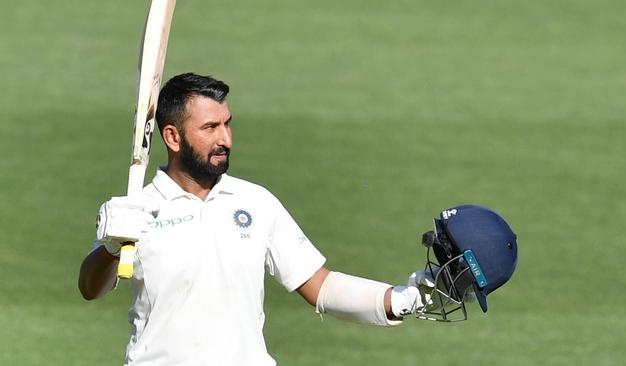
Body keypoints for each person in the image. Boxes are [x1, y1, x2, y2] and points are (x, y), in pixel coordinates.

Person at [78, 73, 428, 366]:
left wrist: (404, 299)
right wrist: (111, 247)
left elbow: (320, 287)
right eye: (210, 127)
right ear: (172, 137)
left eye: (228, 124)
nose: (226, 139)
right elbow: (90, 288)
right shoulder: (135, 211)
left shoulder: (255, 202)